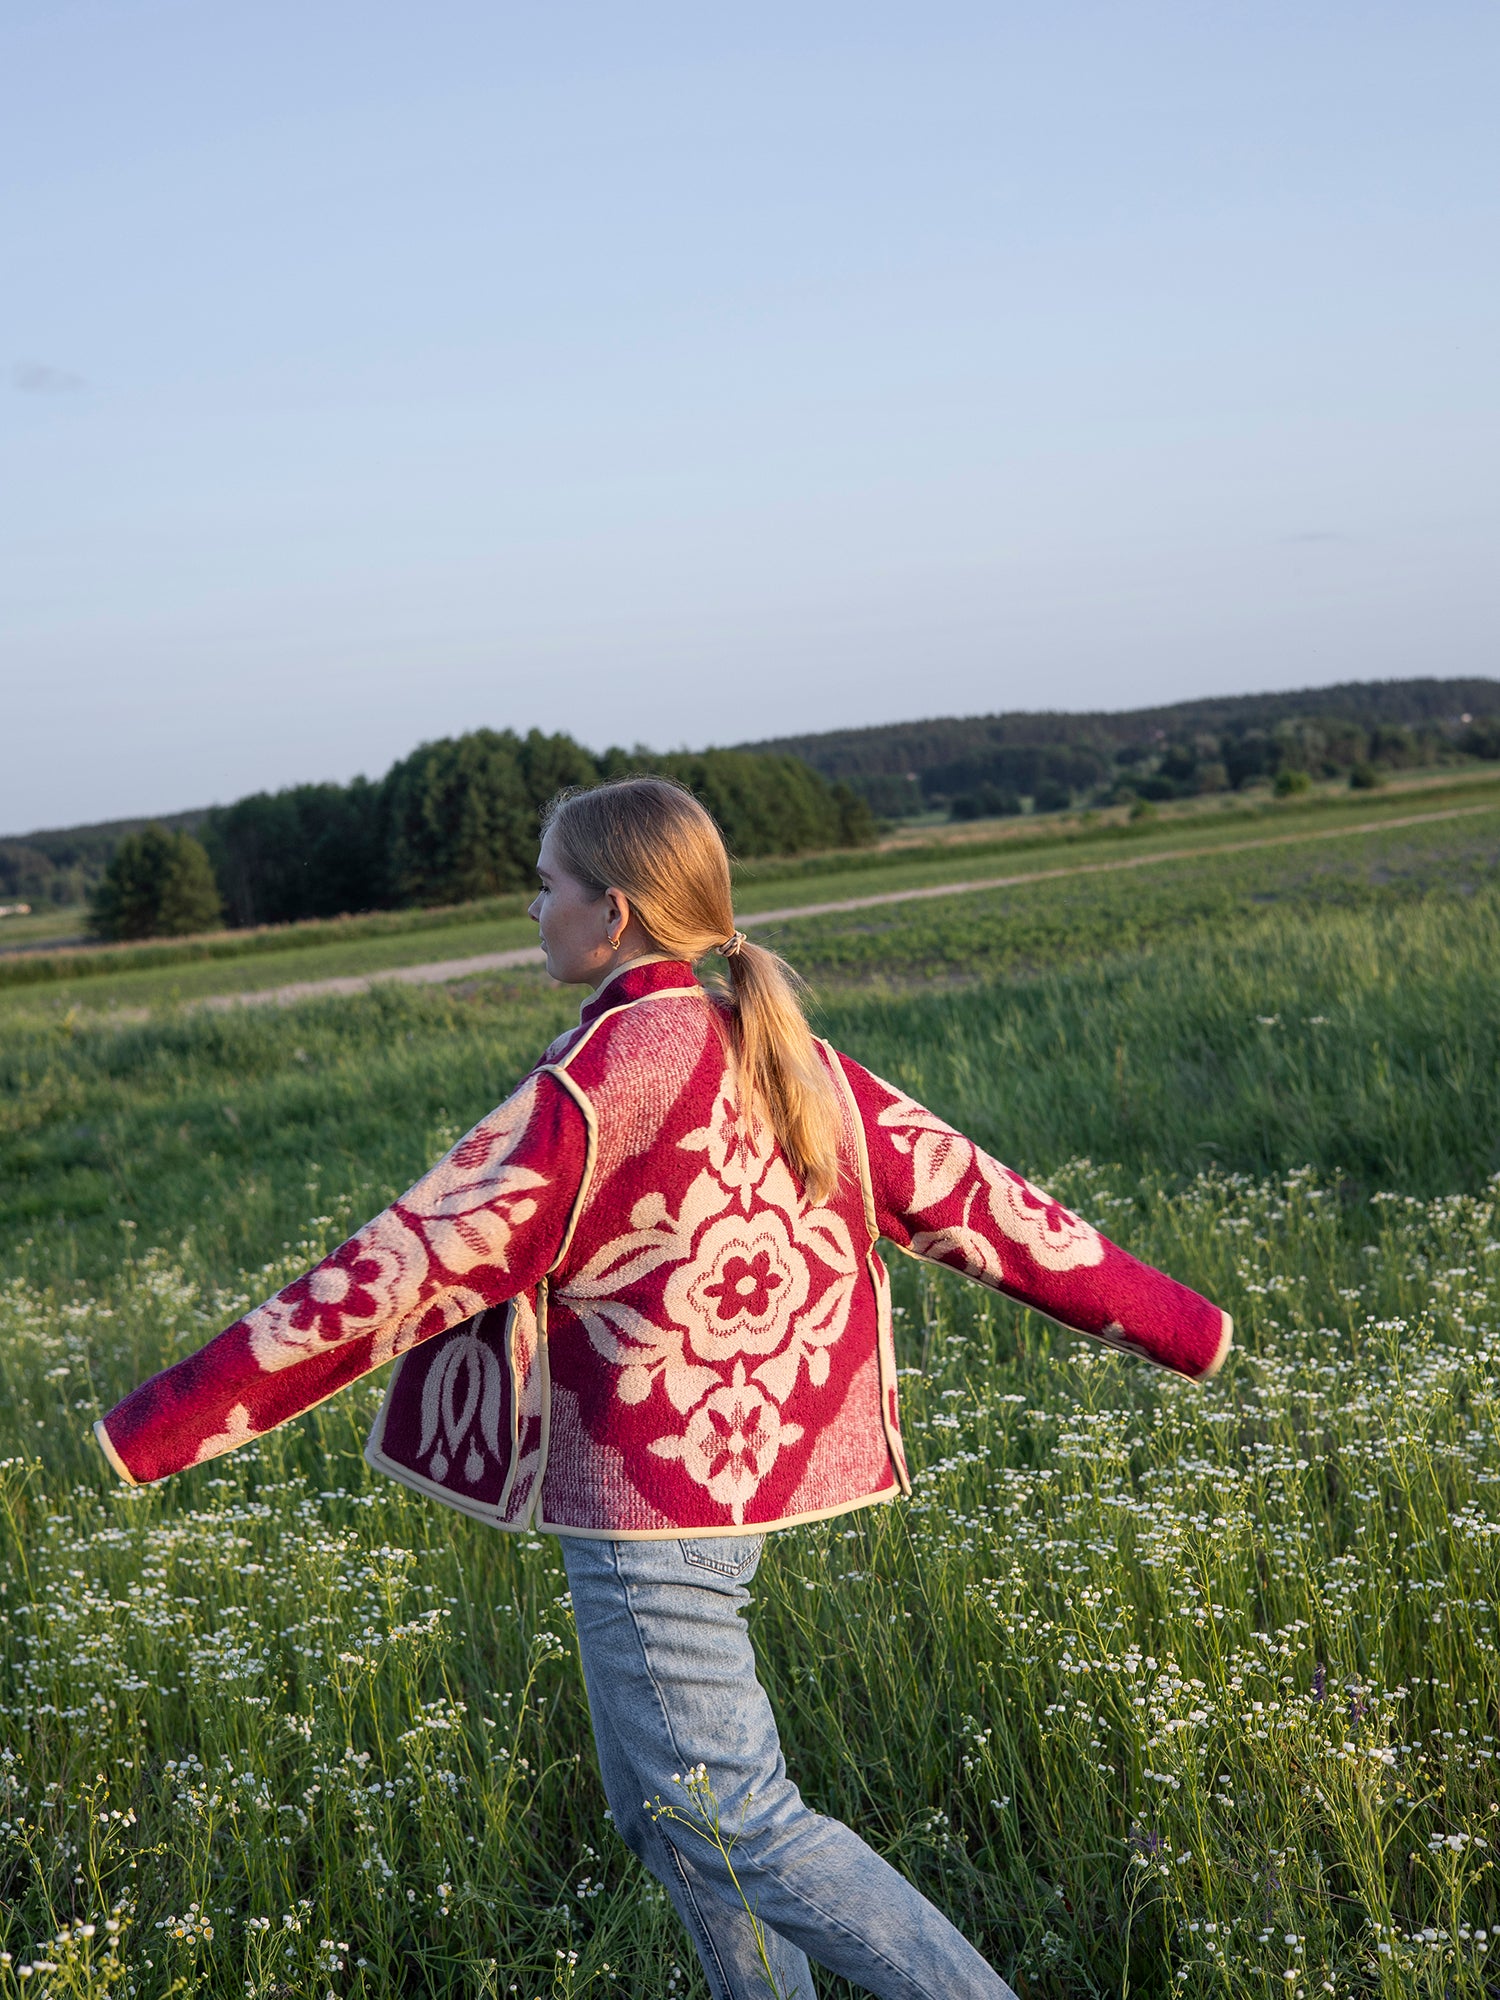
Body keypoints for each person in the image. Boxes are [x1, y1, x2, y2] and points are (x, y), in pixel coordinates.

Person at [97, 776, 1232, 2000]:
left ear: (616, 910)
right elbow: (990, 1206)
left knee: (735, 1818)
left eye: (548, 885)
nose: (534, 911)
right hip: (733, 1490)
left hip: (647, 1511)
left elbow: (404, 1262)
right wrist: (1187, 1324)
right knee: (667, 1816)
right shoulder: (778, 1041)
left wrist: (157, 1423)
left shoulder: (610, 1065)